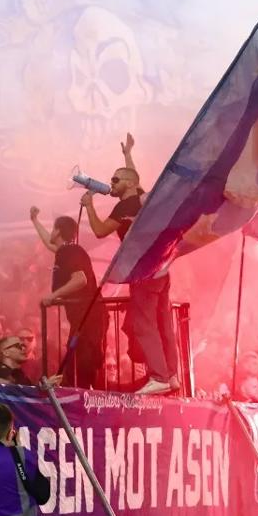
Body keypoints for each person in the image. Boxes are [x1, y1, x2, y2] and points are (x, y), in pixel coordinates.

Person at [81, 133, 179, 395]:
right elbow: (134, 180)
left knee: (144, 323)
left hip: (143, 269)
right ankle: (171, 374)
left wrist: (89, 205)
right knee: (163, 322)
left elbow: (101, 231)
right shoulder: (144, 200)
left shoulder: (123, 208)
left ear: (127, 183)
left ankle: (159, 376)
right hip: (163, 266)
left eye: (115, 179)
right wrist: (127, 155)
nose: (110, 184)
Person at [30, 208, 105, 389]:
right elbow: (50, 245)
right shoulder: (66, 251)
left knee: (82, 362)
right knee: (77, 360)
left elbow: (80, 279)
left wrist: (52, 296)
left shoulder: (69, 252)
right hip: (85, 317)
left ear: (58, 231)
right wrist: (35, 220)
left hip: (89, 317)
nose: (51, 233)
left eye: (53, 229)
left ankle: (86, 400)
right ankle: (86, 397)